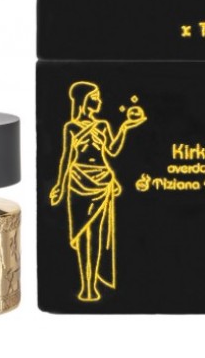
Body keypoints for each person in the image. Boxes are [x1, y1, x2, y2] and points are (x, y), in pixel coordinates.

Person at [50, 81, 146, 302]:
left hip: (102, 181)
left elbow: (111, 150)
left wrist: (125, 126)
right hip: (78, 181)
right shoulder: (71, 127)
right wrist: (60, 186)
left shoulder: (102, 125)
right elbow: (66, 158)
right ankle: (85, 287)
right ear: (84, 101)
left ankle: (93, 285)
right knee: (82, 234)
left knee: (97, 235)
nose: (99, 101)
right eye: (95, 98)